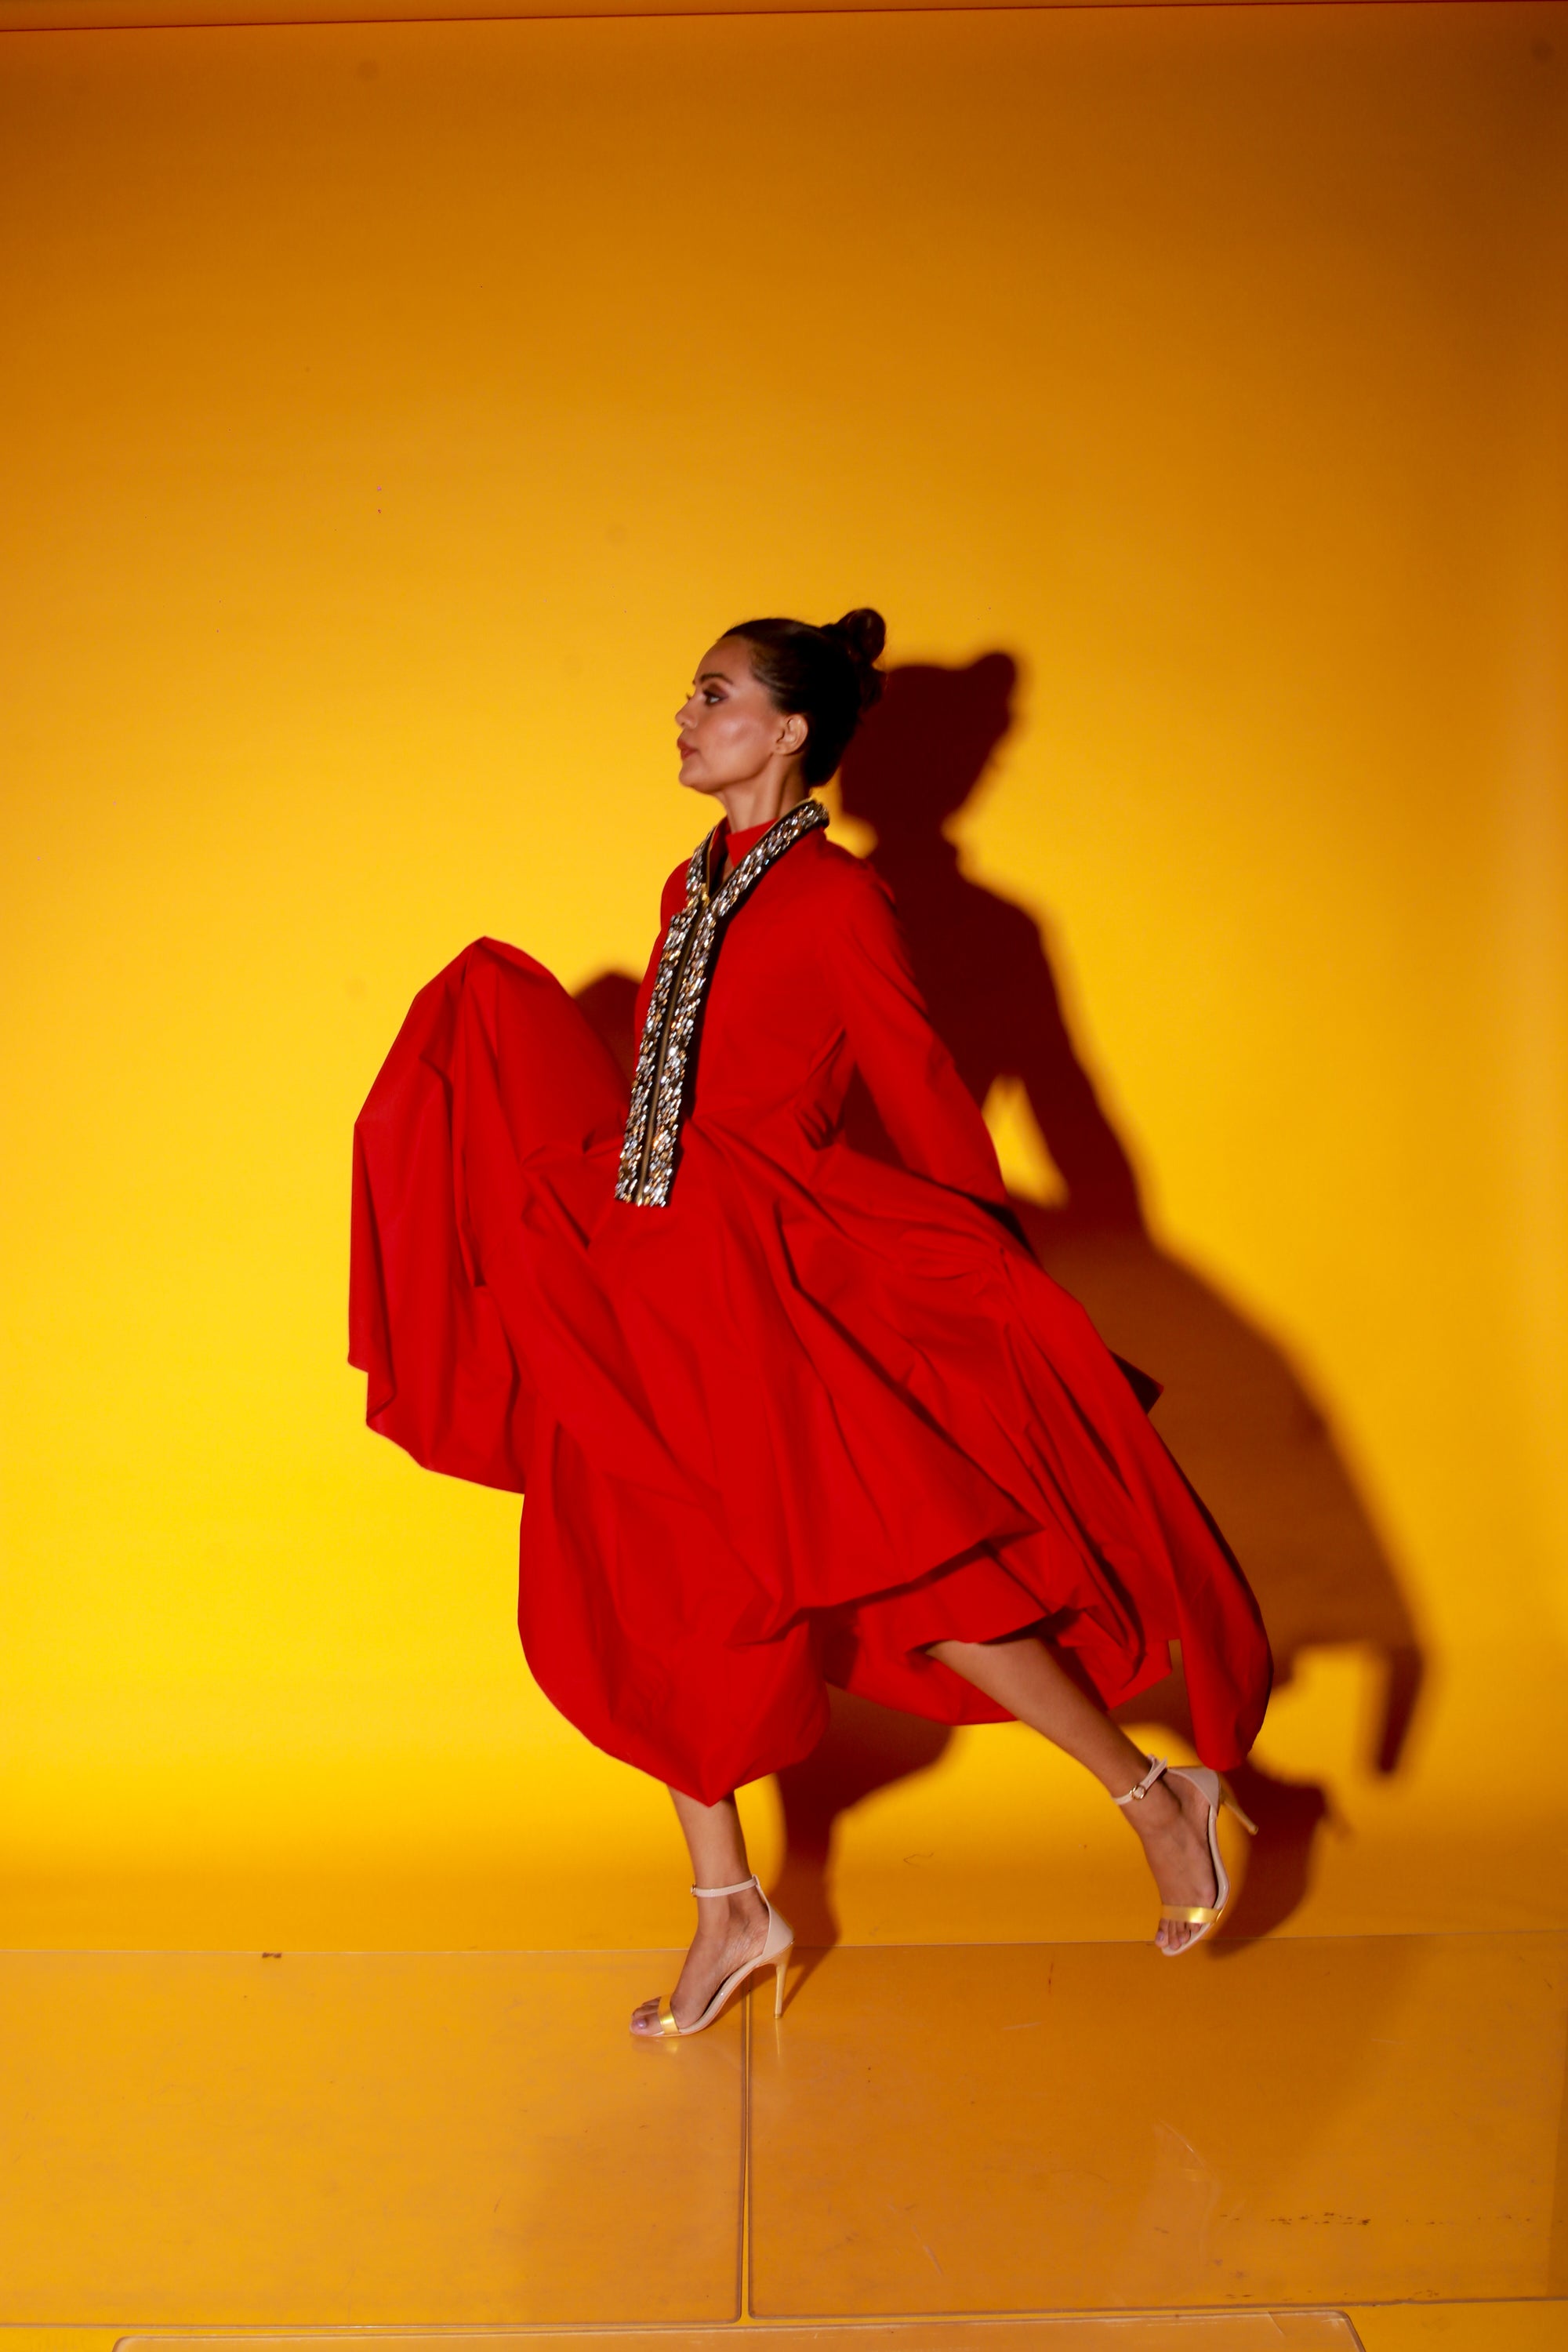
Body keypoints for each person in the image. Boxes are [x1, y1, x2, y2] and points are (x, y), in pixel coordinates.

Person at [350, 608, 1272, 2038]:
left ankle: (1156, 1794)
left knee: (897, 1571)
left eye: (713, 694)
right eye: (688, 691)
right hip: (645, 1265)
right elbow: (671, 1088)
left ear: (787, 732)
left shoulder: (841, 900)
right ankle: (732, 1906)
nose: (685, 713)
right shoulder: (688, 885)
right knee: (652, 1577)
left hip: (759, 1276)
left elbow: (921, 1087)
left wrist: (987, 1276)